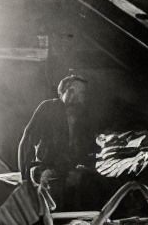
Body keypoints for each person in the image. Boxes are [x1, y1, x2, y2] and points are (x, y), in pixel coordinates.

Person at [17, 74, 99, 210]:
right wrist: (24, 178)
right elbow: (27, 141)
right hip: (45, 170)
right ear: (69, 92)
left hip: (69, 172)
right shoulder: (49, 108)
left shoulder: (83, 117)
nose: (84, 97)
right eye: (82, 93)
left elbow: (88, 149)